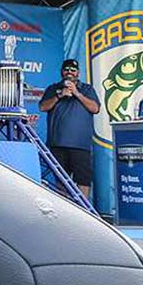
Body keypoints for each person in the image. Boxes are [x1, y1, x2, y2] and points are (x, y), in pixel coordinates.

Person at [39, 59, 100, 199]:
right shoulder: (53, 88)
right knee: (61, 180)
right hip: (57, 144)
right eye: (66, 69)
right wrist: (59, 95)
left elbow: (95, 108)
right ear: (62, 71)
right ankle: (65, 211)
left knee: (83, 180)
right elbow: (43, 107)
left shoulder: (87, 89)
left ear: (78, 73)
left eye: (73, 70)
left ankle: (84, 211)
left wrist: (77, 93)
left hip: (80, 145)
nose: (69, 72)